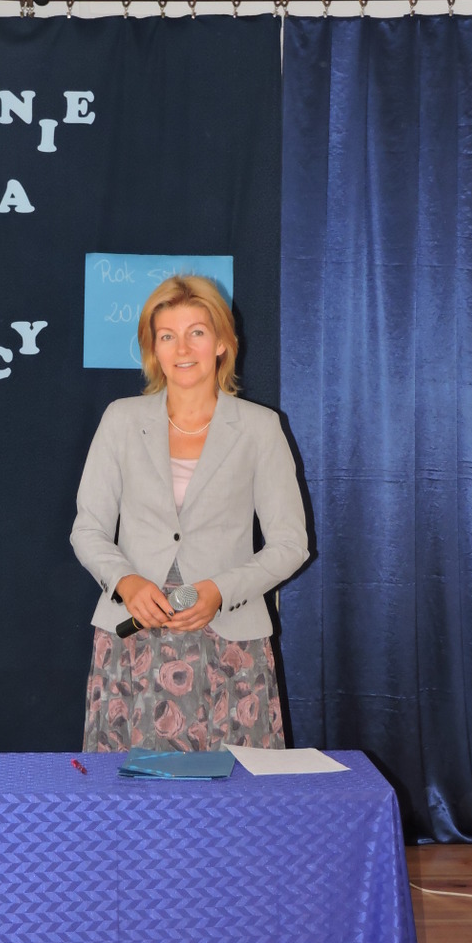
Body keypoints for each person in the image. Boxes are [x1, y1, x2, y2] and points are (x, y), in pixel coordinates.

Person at [71, 275, 309, 752]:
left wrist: (220, 591)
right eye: (167, 336)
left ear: (222, 343)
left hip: (230, 645)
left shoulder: (261, 428)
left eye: (196, 332)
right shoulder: (120, 420)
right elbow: (88, 530)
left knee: (236, 793)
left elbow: (290, 545)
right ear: (153, 350)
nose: (182, 348)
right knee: (127, 791)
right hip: (132, 638)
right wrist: (126, 582)